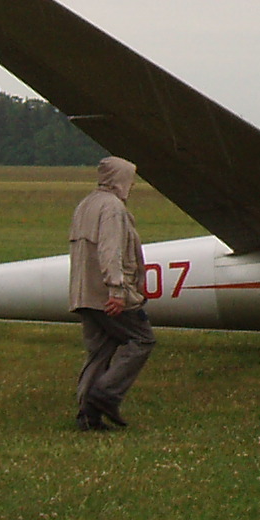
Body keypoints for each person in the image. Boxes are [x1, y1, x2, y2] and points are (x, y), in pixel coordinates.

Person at [68, 155, 154, 431]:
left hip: (83, 293)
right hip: (107, 294)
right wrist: (117, 290)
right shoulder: (113, 208)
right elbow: (110, 249)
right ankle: (105, 396)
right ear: (121, 179)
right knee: (141, 340)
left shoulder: (86, 205)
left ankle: (87, 416)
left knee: (100, 350)